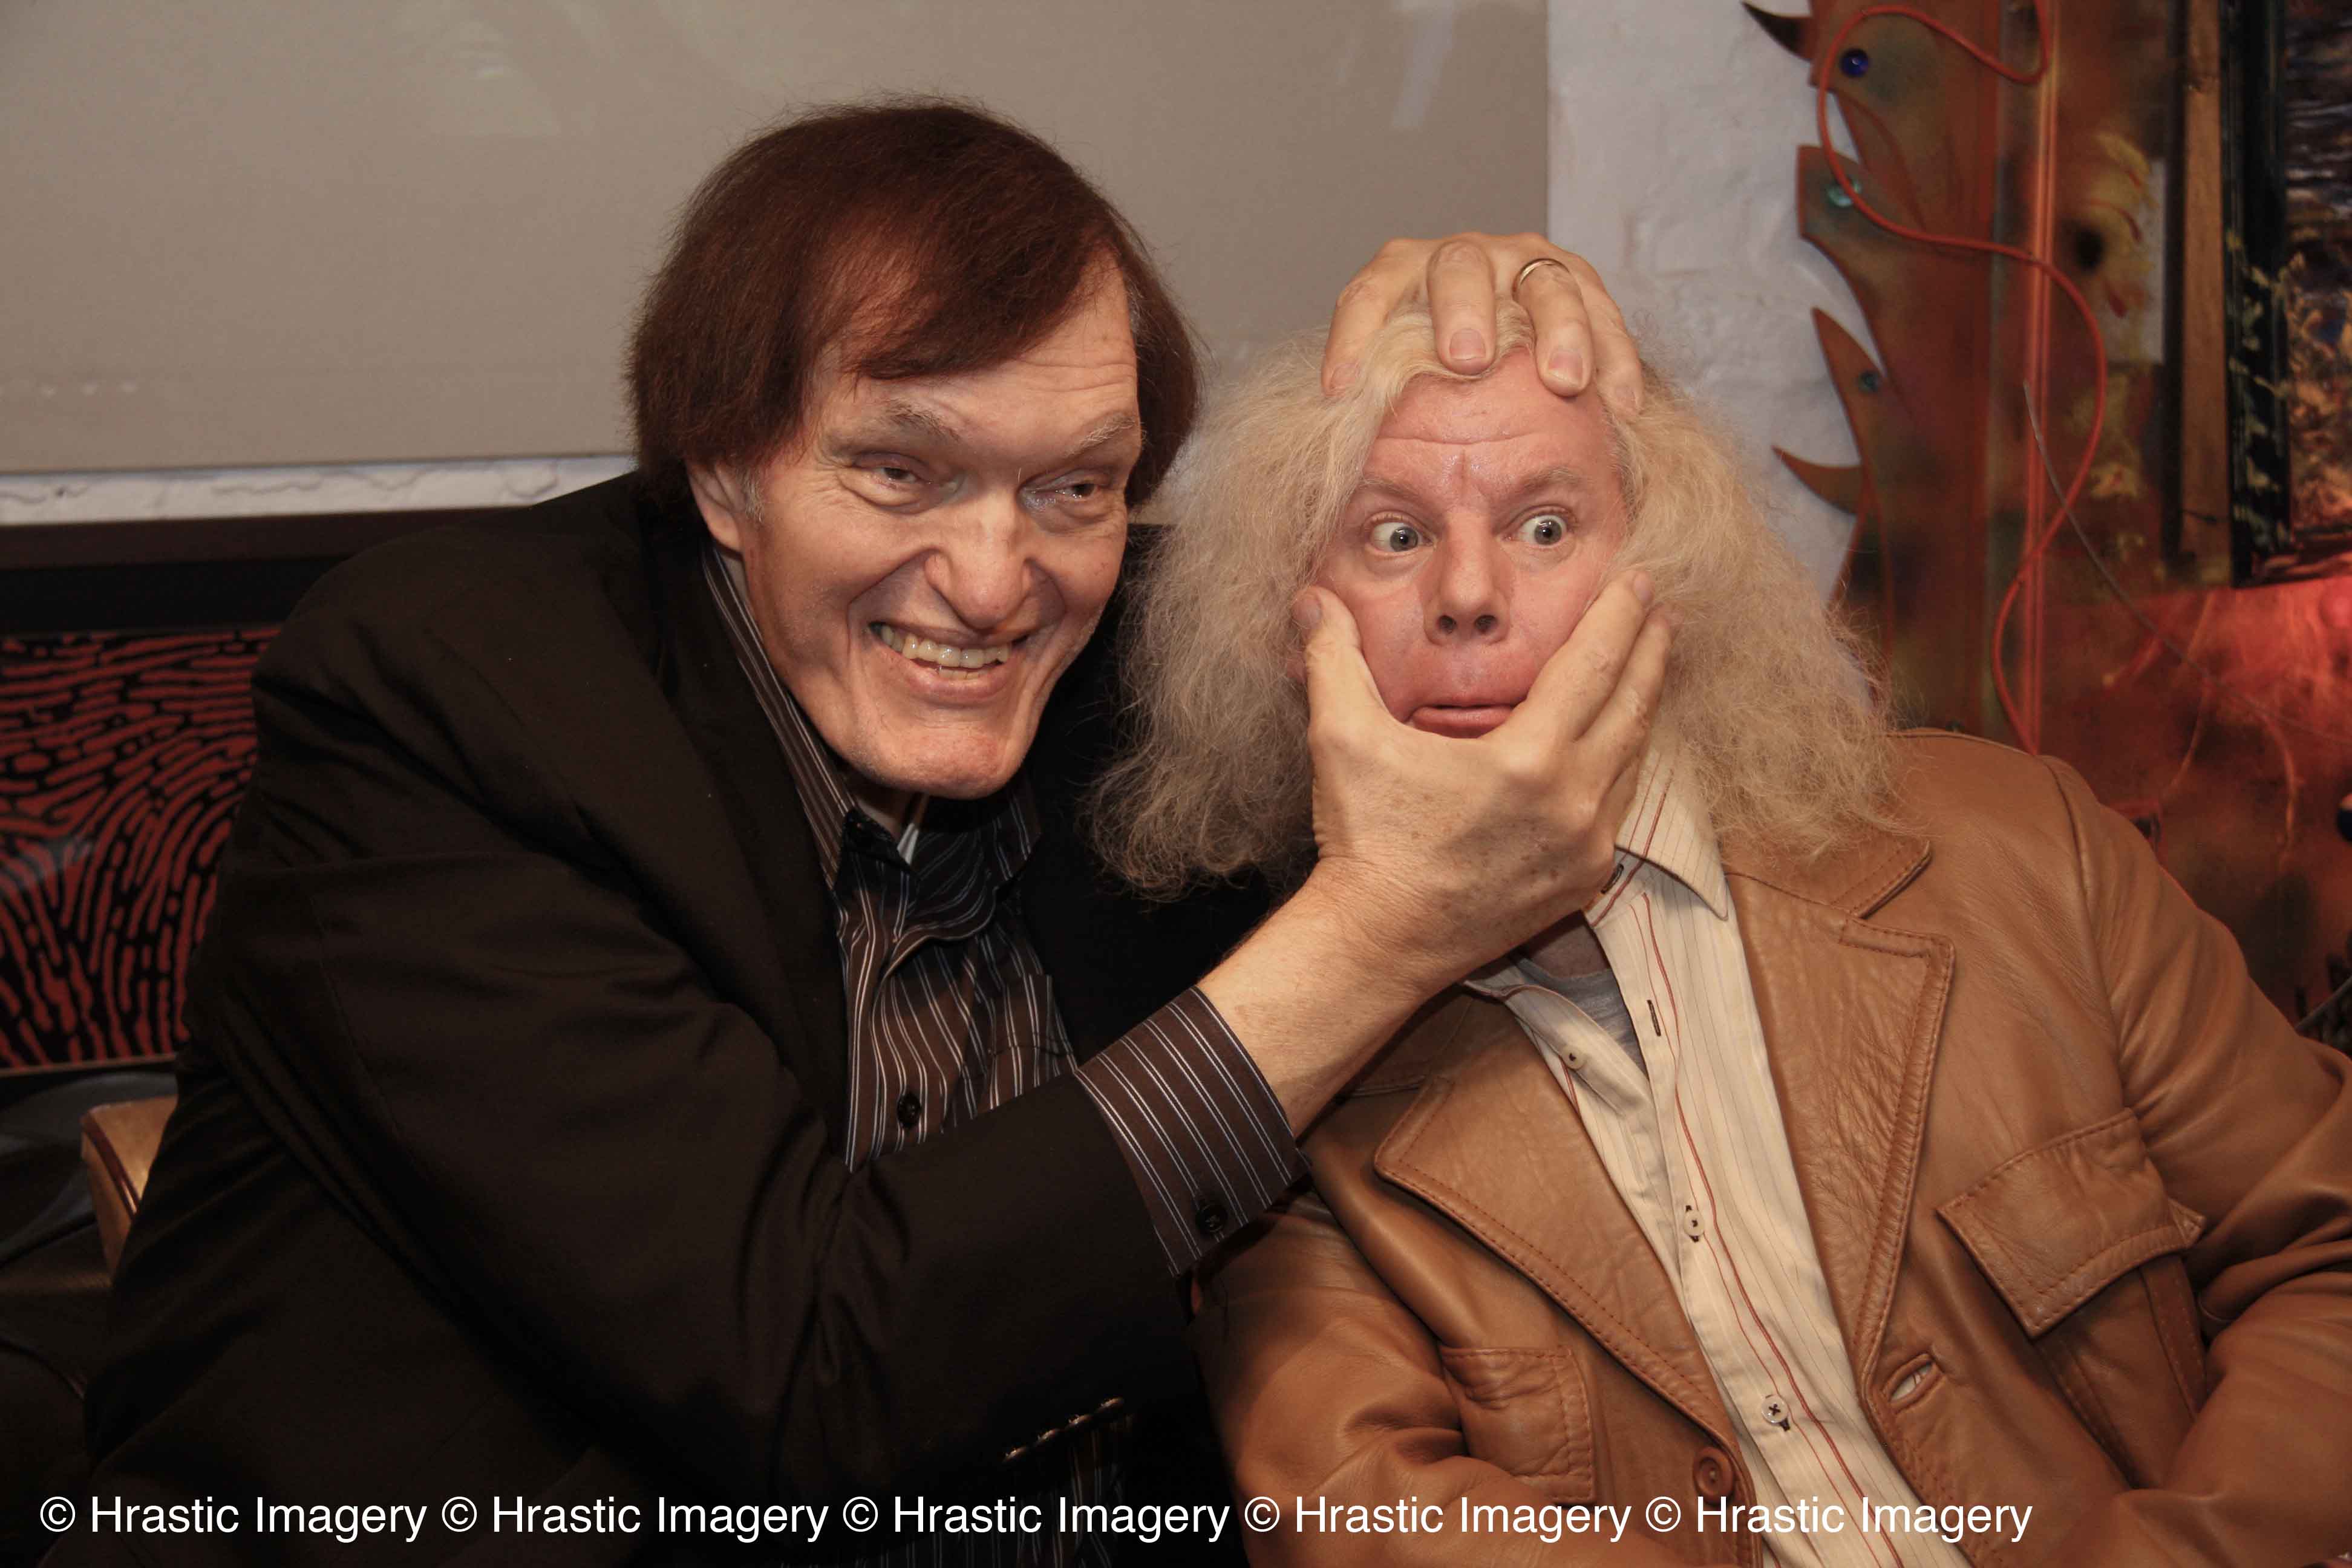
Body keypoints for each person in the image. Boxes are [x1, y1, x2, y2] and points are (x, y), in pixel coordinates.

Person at [55, 103, 1663, 1567]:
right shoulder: (457, 698)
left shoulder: (1155, 681)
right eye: (902, 471)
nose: (994, 580)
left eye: (1075, 489)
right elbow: (798, 1370)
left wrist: (1475, 375)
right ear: (728, 467)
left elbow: (1507, 695)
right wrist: (1375, 931)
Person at [1111, 302, 2352, 1567]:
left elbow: (2326, 1250)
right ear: (1292, 627)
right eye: (1395, 536)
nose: (1469, 596)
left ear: (1669, 576)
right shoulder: (1279, 1081)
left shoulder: (2028, 852)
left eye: (1547, 528)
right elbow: (1365, 1516)